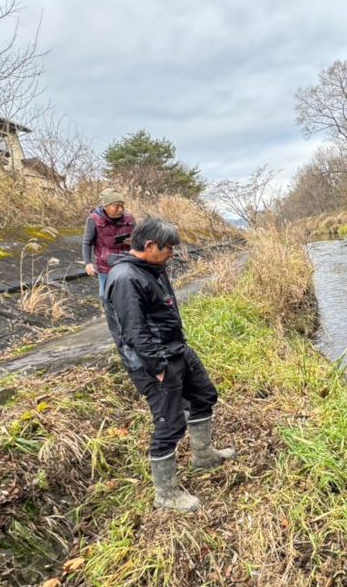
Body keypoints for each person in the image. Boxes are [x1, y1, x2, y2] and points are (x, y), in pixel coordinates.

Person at [103, 217, 235, 512]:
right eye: (168, 248)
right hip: (154, 363)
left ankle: (204, 457)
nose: (172, 253)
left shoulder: (153, 268)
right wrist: (158, 368)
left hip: (177, 350)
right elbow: (133, 333)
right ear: (149, 246)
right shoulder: (126, 278)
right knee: (169, 423)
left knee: (204, 395)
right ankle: (166, 494)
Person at [83, 188, 135, 298]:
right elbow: (87, 242)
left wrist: (134, 242)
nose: (121, 209)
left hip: (127, 264)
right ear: (106, 207)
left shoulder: (129, 218)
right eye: (116, 206)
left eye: (122, 205)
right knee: (105, 297)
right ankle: (110, 315)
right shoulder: (94, 220)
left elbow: (139, 237)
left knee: (128, 296)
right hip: (106, 266)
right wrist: (88, 262)